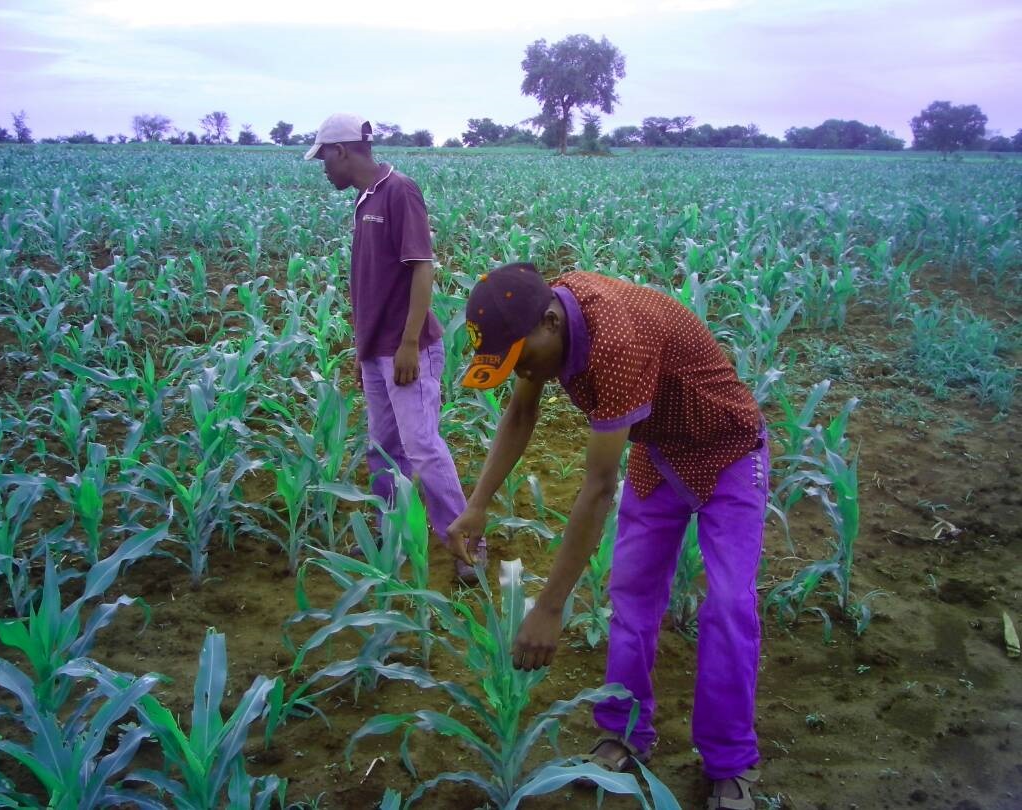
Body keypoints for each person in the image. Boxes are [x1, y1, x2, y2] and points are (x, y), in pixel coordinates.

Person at [446, 263, 767, 810]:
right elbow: (520, 413)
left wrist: (549, 606)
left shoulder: (615, 344)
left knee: (730, 604)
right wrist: (476, 505)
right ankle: (624, 731)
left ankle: (730, 762)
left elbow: (597, 489)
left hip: (725, 449)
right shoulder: (549, 316)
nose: (522, 371)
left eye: (522, 357)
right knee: (631, 595)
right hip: (660, 449)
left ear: (549, 322)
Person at [306, 113, 484, 582]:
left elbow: (422, 269)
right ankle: (392, 530)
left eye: (324, 155)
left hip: (405, 350)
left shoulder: (399, 190)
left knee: (422, 446)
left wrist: (408, 343)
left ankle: (465, 543)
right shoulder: (365, 198)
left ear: (342, 150)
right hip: (374, 349)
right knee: (384, 447)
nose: (323, 166)